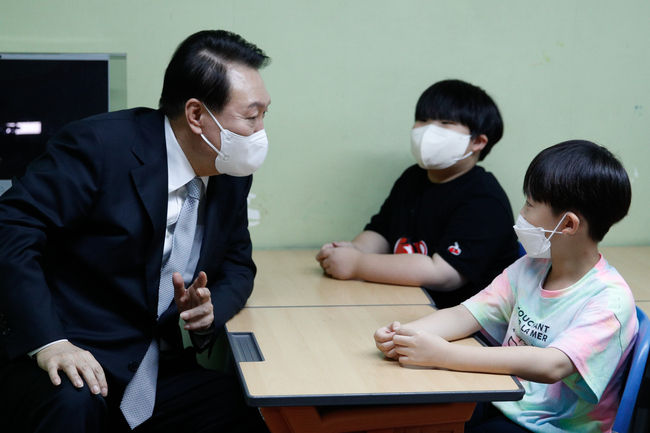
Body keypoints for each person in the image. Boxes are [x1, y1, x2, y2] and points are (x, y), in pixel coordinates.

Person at [0, 30, 271, 432]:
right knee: (71, 405)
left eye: (265, 114)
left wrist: (210, 310)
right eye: (251, 116)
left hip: (154, 363)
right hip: (73, 346)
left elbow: (238, 264)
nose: (260, 130)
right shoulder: (99, 146)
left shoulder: (229, 172)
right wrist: (49, 341)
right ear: (196, 115)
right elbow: (11, 228)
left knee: (245, 409)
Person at [374, 140, 638, 433]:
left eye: (530, 204)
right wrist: (406, 335)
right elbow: (466, 314)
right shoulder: (530, 267)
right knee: (415, 414)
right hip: (505, 398)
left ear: (568, 225)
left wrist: (443, 355)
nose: (522, 213)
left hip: (551, 426)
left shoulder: (609, 300)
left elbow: (552, 364)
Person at [316, 79, 519, 308]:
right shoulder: (412, 177)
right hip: (404, 302)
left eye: (445, 123)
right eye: (423, 120)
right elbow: (381, 231)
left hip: (465, 319)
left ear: (478, 142)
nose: (428, 131)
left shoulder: (484, 199)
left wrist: (358, 264)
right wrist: (354, 250)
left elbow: (443, 274)